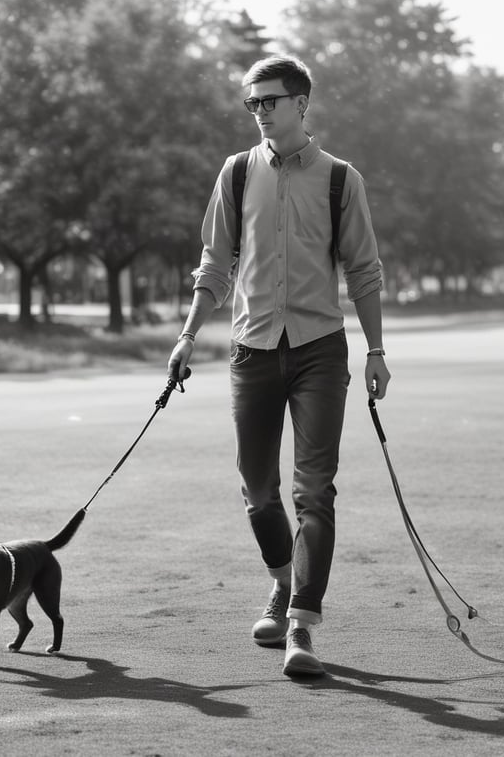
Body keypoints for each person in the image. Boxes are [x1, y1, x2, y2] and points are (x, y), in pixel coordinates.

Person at [167, 54, 390, 677]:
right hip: (252, 351)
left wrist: (375, 351)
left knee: (313, 491)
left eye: (269, 100)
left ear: (301, 104)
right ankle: (283, 580)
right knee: (259, 491)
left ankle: (301, 625)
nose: (259, 111)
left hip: (321, 350)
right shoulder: (236, 174)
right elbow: (214, 265)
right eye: (251, 103)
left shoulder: (342, 179)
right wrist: (187, 337)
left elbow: (365, 271)